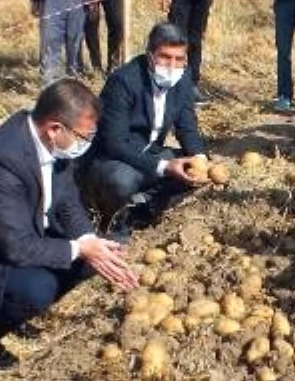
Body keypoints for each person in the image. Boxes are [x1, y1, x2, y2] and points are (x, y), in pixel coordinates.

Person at [0, 79, 137, 370]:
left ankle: (11, 316)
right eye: (84, 137)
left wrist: (87, 240)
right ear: (55, 128)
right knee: (38, 288)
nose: (86, 144)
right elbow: (18, 248)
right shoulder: (0, 161)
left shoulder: (50, 144)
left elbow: (67, 201)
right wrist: (80, 248)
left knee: (89, 258)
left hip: (12, 238)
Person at [79, 23, 210, 231]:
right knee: (122, 181)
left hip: (151, 152)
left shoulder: (183, 78)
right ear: (150, 55)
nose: (172, 65)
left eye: (179, 59)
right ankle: (112, 222)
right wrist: (165, 167)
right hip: (114, 159)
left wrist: (201, 159)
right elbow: (114, 143)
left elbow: (187, 126)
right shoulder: (123, 82)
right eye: (165, 57)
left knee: (192, 171)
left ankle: (140, 207)